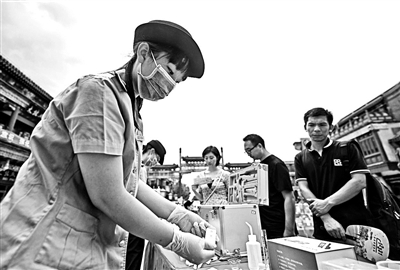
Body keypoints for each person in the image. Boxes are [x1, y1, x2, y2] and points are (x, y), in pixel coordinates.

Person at [0, 20, 216, 270]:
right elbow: (109, 194)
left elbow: (131, 184)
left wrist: (179, 214)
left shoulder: (131, 109)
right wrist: (176, 240)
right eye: (168, 70)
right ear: (143, 53)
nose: (169, 86)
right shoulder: (100, 93)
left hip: (82, 249)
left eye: (176, 81)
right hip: (44, 242)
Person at [294, 107, 372, 241]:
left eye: (322, 124)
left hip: (356, 226)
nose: (317, 129)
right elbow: (303, 188)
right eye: (311, 125)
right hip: (322, 226)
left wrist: (328, 203)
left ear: (331, 127)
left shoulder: (347, 148)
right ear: (305, 127)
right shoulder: (301, 157)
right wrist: (326, 218)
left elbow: (359, 181)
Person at [243, 134, 296, 239]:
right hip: (265, 222)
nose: (248, 154)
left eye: (250, 150)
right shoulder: (261, 166)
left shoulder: (276, 165)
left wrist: (289, 229)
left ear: (259, 146)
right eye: (246, 151)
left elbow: (289, 197)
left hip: (278, 223)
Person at [126, 139, 166, 270]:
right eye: (156, 159)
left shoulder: (141, 167)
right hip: (132, 216)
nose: (154, 163)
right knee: (133, 252)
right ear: (151, 151)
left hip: (132, 216)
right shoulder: (134, 162)